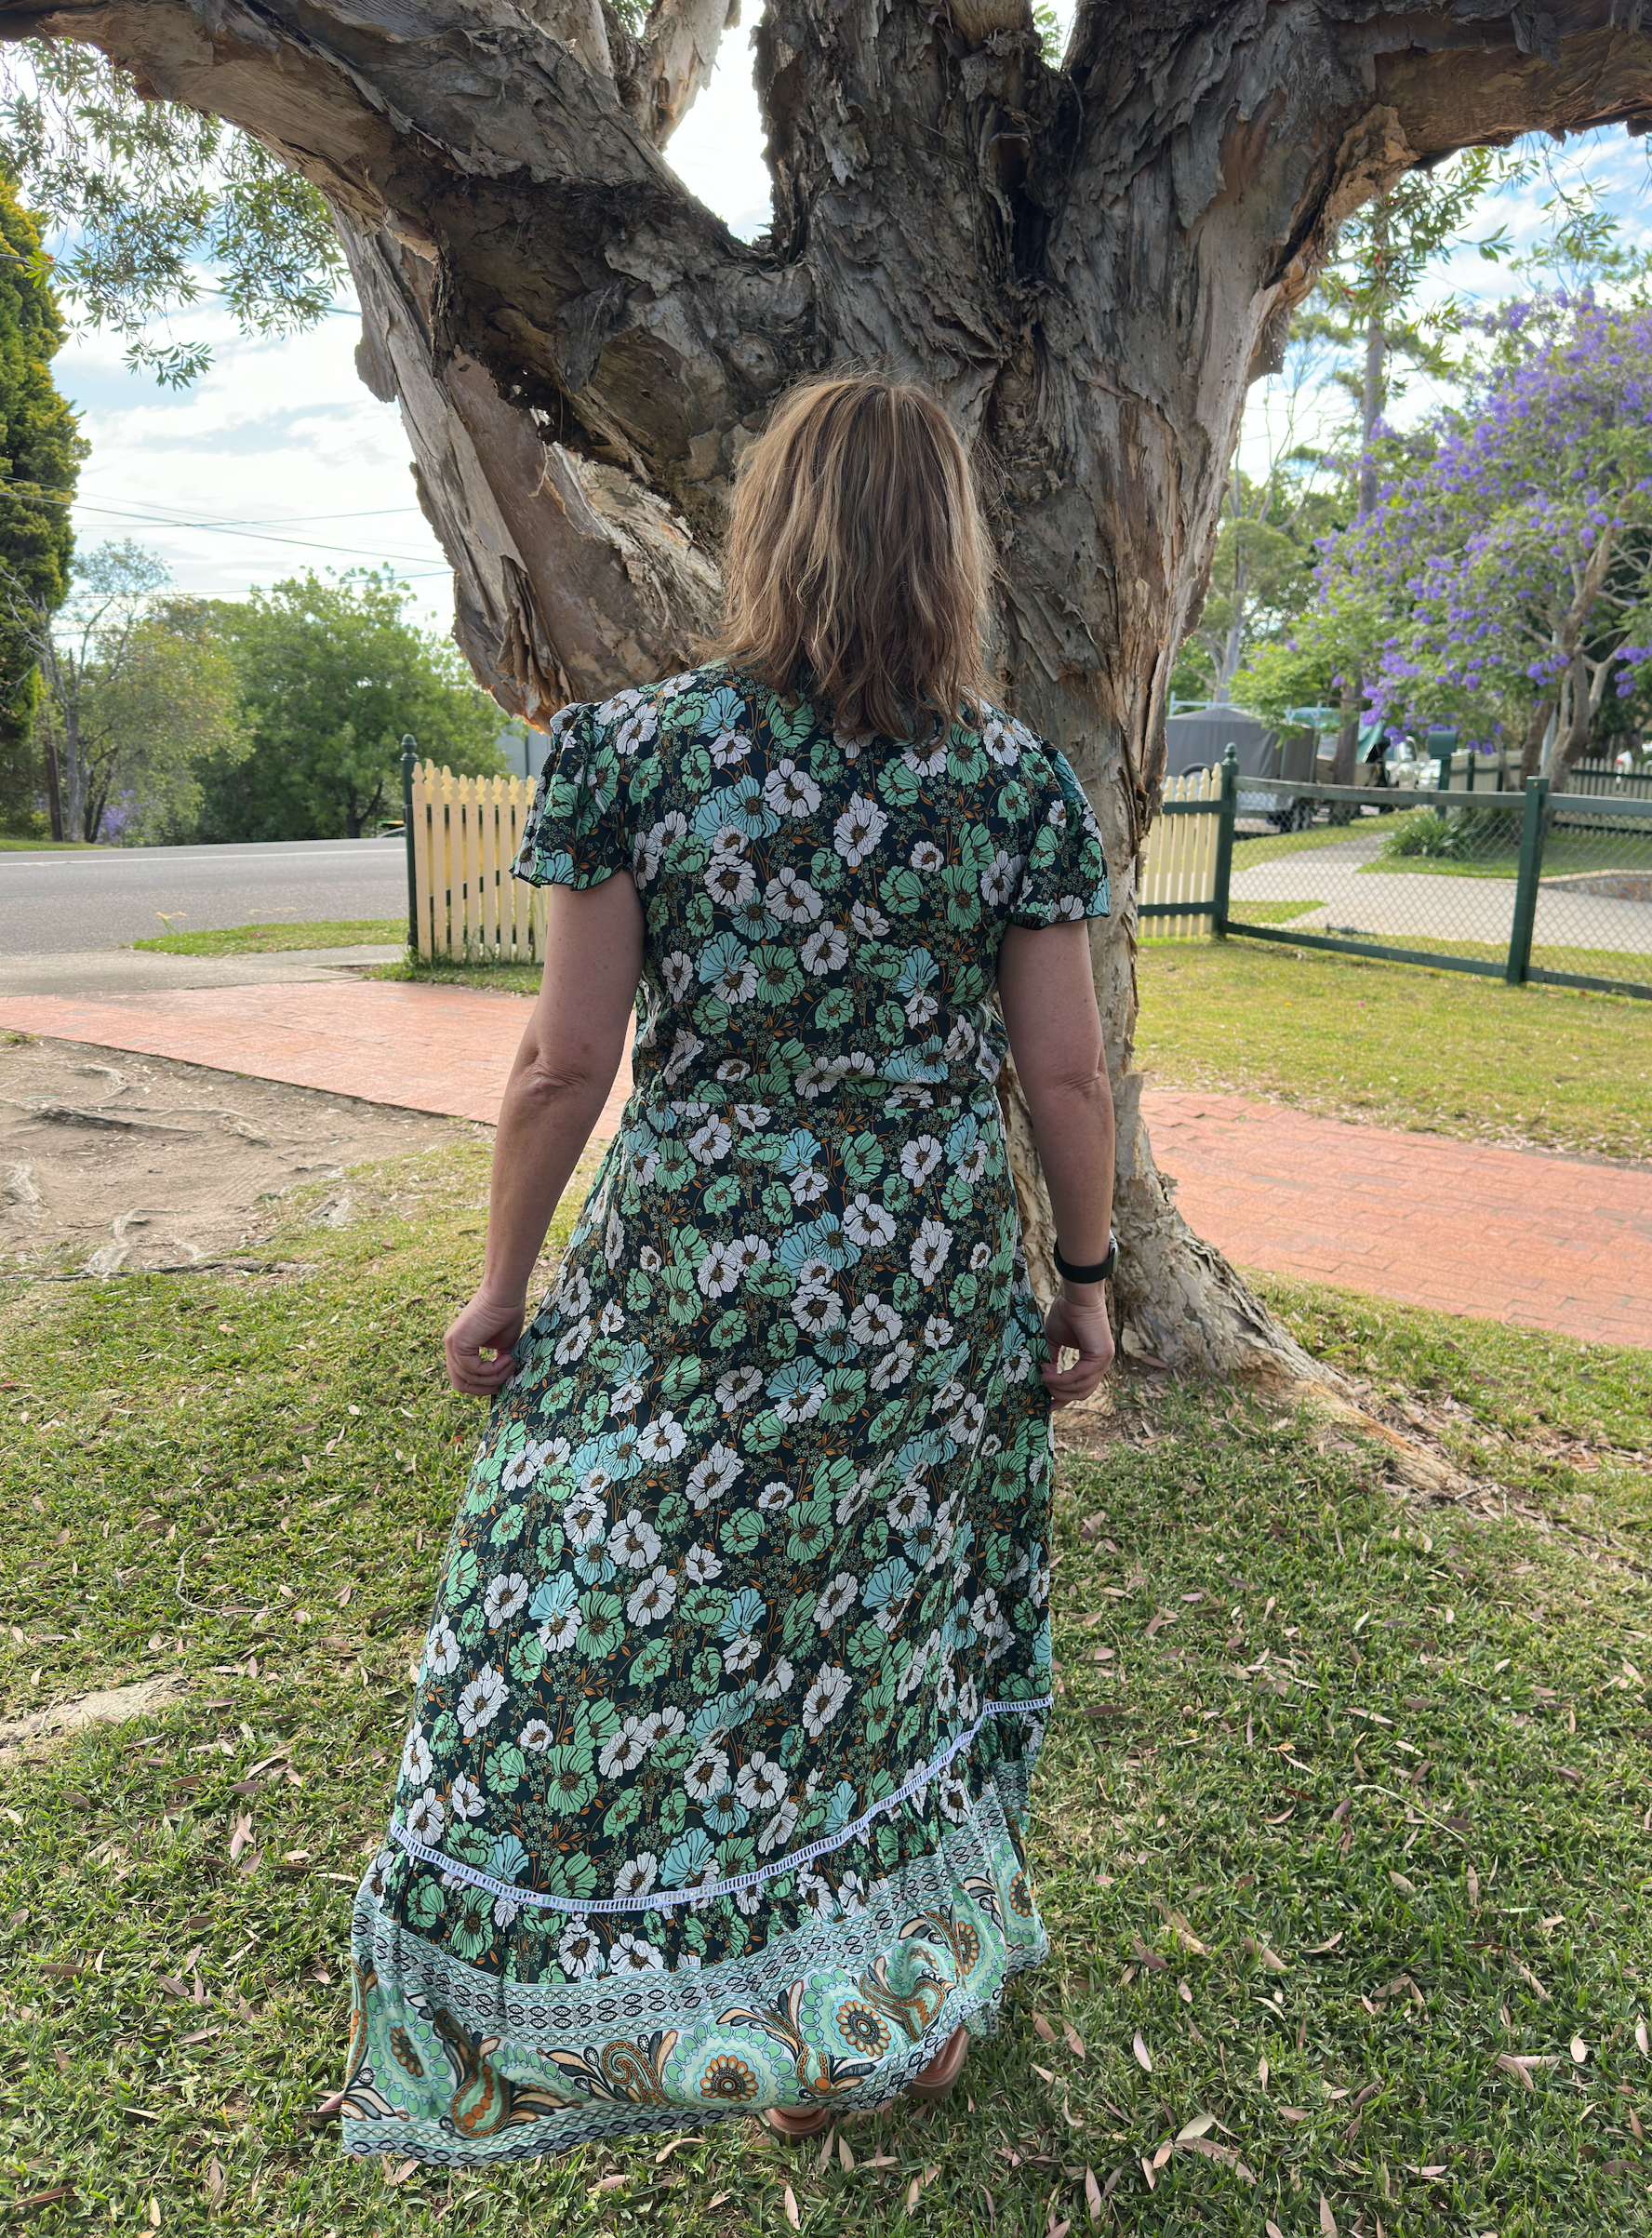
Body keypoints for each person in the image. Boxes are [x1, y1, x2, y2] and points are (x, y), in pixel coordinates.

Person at [342, 372, 1116, 2165]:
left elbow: (561, 1060)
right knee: (885, 1626)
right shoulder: (1011, 783)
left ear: (768, 533)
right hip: (922, 1273)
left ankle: (704, 2003)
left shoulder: (635, 751)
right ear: (954, 553)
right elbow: (1065, 1071)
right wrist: (1080, 1274)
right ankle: (887, 2012)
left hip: (695, 1262)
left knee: (635, 1613)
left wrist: (501, 1281)